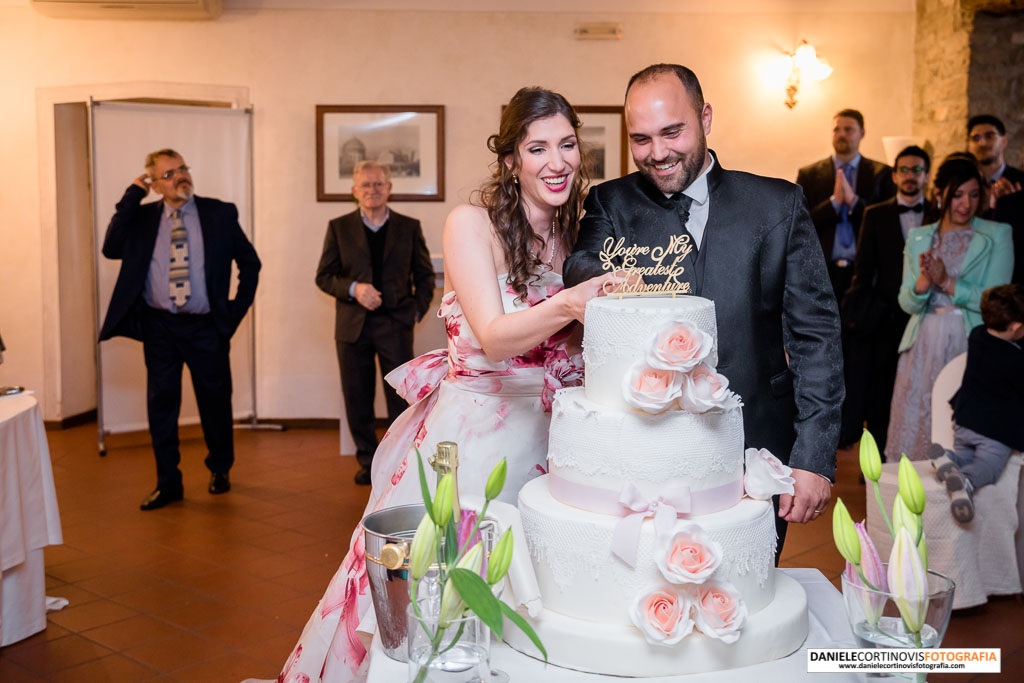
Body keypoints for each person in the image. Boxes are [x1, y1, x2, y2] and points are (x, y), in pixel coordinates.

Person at [277, 88, 614, 682]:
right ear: (511, 159)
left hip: (552, 443)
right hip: (472, 442)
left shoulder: (575, 239)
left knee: (532, 609)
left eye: (566, 145)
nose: (557, 161)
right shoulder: (471, 225)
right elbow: (493, 336)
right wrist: (573, 302)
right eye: (538, 147)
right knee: (441, 595)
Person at [563, 63, 843, 560]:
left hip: (757, 441)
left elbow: (815, 335)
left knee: (747, 597)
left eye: (673, 132)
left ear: (705, 117)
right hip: (647, 450)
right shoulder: (611, 201)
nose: (658, 153)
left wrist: (815, 458)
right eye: (642, 139)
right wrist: (623, 275)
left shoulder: (777, 204)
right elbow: (581, 263)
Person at [99, 148, 260, 510]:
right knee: (162, 405)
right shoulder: (141, 218)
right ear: (155, 185)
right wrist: (131, 195)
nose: (180, 177)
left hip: (206, 326)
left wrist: (231, 316)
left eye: (183, 169)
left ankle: (220, 469)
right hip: (160, 327)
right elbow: (111, 248)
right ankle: (168, 481)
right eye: (169, 174)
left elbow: (251, 264)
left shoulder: (219, 212)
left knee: (215, 402)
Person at [885, 155, 1014, 463]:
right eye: (957, 195)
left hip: (970, 339)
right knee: (917, 422)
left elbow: (997, 302)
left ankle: (961, 488)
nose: (965, 204)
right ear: (940, 194)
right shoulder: (920, 236)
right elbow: (907, 302)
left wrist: (947, 281)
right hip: (923, 341)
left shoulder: (997, 235)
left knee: (961, 424)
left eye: (973, 195)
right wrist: (923, 284)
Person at [315, 161, 436, 485]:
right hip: (352, 327)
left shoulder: (409, 227)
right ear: (355, 191)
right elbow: (324, 277)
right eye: (365, 185)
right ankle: (368, 461)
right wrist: (355, 289)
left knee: (400, 398)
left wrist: (415, 312)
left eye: (378, 184)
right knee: (357, 396)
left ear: (389, 188)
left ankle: (398, 460)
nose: (373, 190)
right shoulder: (338, 227)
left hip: (396, 324)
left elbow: (424, 276)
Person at [841, 146, 939, 454]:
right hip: (884, 318)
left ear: (926, 176)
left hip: (927, 313)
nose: (910, 176)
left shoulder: (940, 215)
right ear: (895, 175)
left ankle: (921, 452)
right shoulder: (875, 213)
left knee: (923, 386)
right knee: (881, 391)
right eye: (904, 170)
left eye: (917, 170)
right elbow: (864, 269)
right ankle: (880, 457)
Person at [929, 284, 1024, 522]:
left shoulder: (977, 336)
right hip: (993, 431)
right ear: (1015, 327)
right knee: (988, 466)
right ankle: (967, 482)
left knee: (966, 454)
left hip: (964, 421)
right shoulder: (1016, 361)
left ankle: (950, 459)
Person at [796, 109, 897, 305]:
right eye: (837, 129)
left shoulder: (882, 174)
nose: (841, 134)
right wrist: (834, 203)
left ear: (862, 133)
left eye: (848, 129)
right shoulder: (809, 174)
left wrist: (854, 202)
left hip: (865, 274)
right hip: (822, 270)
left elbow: (886, 225)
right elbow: (800, 223)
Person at [966, 114, 1024, 211]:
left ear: (1004, 141)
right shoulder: (964, 185)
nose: (982, 143)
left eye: (989, 136)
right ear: (968, 145)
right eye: (975, 138)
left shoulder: (1021, 181)